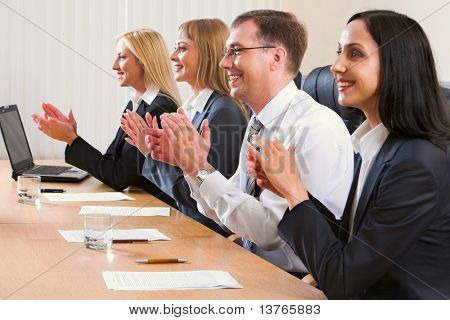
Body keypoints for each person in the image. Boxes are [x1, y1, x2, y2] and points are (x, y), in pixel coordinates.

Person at [248, 10, 450, 299]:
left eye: (355, 54)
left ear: (396, 65)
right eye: (339, 52)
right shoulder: (376, 146)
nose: (336, 66)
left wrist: (295, 194)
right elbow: (349, 244)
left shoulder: (415, 165)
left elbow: (343, 280)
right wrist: (286, 190)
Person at [151, 10, 354, 275]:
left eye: (235, 51)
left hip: (292, 283)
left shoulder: (314, 128)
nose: (224, 63)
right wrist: (191, 168)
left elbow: (270, 232)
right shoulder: (260, 121)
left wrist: (198, 167)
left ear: (276, 57)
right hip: (252, 267)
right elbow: (230, 209)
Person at [121, 19, 248, 236]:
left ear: (208, 54)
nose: (172, 57)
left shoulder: (223, 112)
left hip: (209, 237)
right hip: (189, 228)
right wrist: (160, 156)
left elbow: (206, 195)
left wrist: (150, 157)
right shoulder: (192, 109)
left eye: (182, 49)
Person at [32, 29, 179, 203]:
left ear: (143, 61)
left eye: (122, 57)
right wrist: (72, 136)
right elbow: (111, 161)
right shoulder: (137, 103)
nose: (114, 65)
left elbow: (119, 177)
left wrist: (72, 139)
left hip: (156, 211)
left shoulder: (159, 110)